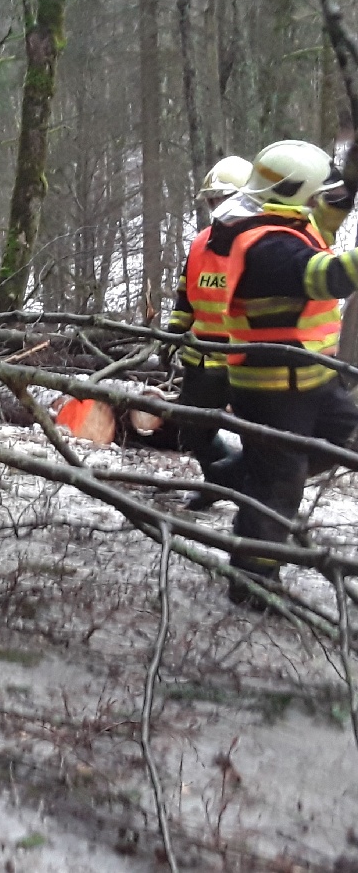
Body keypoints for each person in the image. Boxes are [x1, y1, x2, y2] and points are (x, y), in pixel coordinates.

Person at [210, 139, 358, 609]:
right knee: (281, 486)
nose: (320, 202)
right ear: (295, 194)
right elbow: (326, 276)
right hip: (274, 389)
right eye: (316, 194)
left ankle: (247, 471)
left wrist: (346, 191)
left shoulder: (279, 219)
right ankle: (253, 583)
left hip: (313, 380)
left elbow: (319, 228)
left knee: (340, 437)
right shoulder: (264, 245)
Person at [164, 156, 252, 510]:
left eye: (224, 198)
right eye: (213, 200)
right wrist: (173, 333)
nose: (218, 207)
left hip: (247, 360)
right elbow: (187, 294)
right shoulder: (201, 243)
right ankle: (219, 480)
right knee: (192, 430)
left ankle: (245, 491)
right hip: (201, 356)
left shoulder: (259, 245)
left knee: (259, 437)